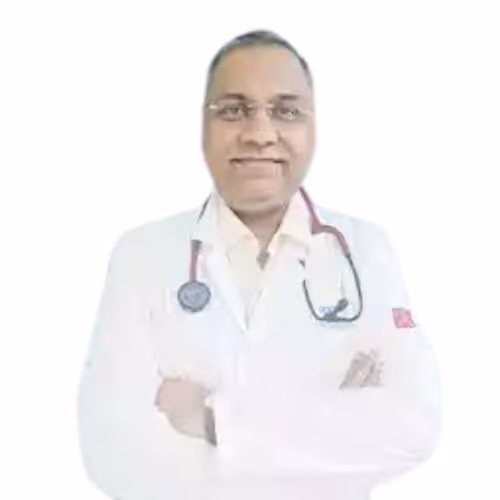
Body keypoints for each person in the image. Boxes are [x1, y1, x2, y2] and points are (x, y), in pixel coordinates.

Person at [77, 30, 442, 500]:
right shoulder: (143, 255)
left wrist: (212, 422)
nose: (260, 133)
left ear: (313, 127)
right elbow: (110, 451)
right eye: (233, 110)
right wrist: (332, 430)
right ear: (202, 126)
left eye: (286, 111)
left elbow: (413, 426)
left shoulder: (366, 250)